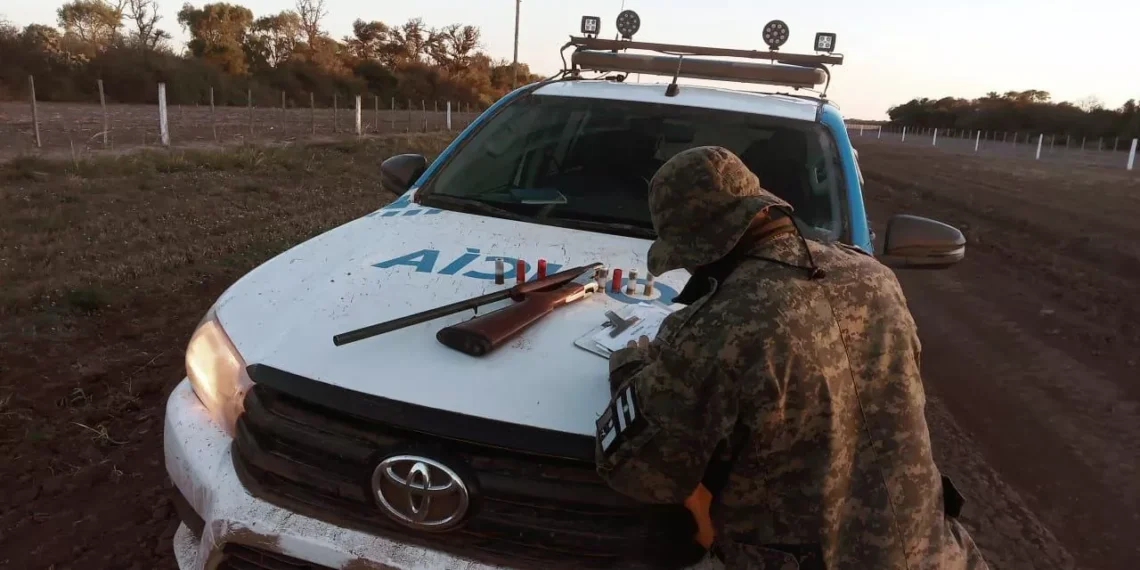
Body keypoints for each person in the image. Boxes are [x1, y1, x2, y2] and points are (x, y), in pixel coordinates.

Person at [593, 146, 989, 569]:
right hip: (934, 553)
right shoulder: (875, 277)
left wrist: (630, 368)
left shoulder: (720, 324)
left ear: (702, 246)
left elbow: (641, 473)